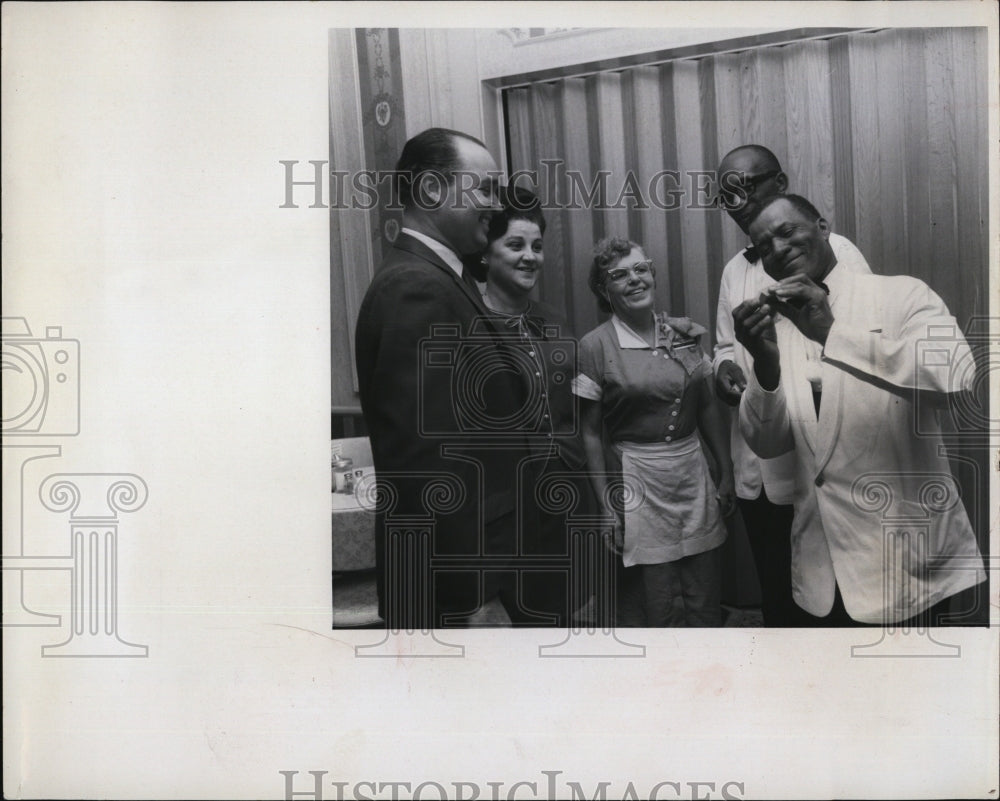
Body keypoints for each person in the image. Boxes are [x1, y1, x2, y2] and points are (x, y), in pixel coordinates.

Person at [733, 194, 986, 626]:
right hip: (819, 582)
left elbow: (957, 378)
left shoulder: (901, 294)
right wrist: (766, 366)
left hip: (907, 567)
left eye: (787, 231)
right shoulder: (775, 329)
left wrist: (832, 332)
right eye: (763, 247)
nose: (777, 249)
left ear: (823, 226)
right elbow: (768, 443)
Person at [355, 128, 541, 629]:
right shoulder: (416, 288)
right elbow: (428, 460)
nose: (494, 205)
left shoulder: (443, 280)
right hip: (458, 589)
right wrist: (473, 596)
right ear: (433, 191)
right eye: (484, 189)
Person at [712, 144, 871, 626]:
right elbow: (723, 346)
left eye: (747, 187)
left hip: (810, 465)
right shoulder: (734, 270)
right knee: (777, 600)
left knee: (827, 602)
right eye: (727, 196)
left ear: (780, 184)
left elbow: (856, 350)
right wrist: (724, 369)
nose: (738, 202)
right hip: (753, 465)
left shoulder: (835, 252)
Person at [572, 237, 735, 627]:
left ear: (653, 274)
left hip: (692, 472)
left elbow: (708, 404)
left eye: (640, 269)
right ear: (602, 289)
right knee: (654, 596)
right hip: (638, 479)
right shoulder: (595, 347)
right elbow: (590, 432)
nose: (634, 280)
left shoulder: (684, 333)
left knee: (704, 585)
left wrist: (725, 469)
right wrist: (605, 505)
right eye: (619, 275)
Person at [478, 186, 596, 626]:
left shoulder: (553, 322)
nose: (531, 256)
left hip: (568, 502)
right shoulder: (469, 325)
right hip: (509, 517)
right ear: (487, 253)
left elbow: (575, 410)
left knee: (574, 620)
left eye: (538, 246)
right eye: (515, 244)